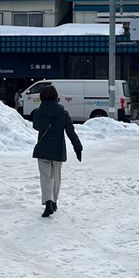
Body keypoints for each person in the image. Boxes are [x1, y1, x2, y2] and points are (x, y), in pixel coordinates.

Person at [31, 83, 82, 217]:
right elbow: (71, 132)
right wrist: (78, 147)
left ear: (41, 97)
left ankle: (48, 202)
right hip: (58, 150)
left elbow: (36, 127)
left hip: (43, 149)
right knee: (56, 177)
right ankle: (54, 202)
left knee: (45, 177)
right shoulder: (63, 113)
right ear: (56, 97)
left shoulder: (37, 113)